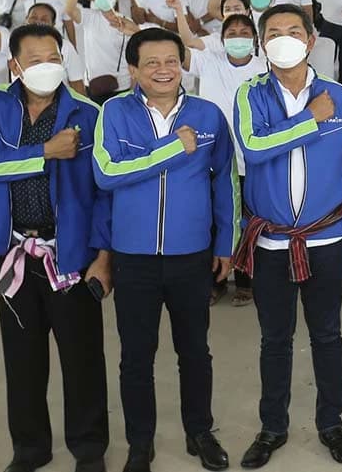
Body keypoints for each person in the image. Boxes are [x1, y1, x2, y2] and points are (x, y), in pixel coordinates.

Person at [0, 25, 109, 472]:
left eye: (54, 57)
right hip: (13, 253)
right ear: (15, 66)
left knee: (82, 356)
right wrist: (45, 151)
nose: (47, 67)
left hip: (70, 252)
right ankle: (30, 448)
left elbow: (105, 191)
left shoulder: (86, 112)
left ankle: (88, 450)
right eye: (35, 59)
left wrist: (104, 256)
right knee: (22, 358)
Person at [93, 28, 237, 472]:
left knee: (195, 350)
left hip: (191, 255)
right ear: (133, 69)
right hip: (133, 258)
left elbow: (224, 182)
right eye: (151, 63)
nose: (163, 70)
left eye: (171, 60)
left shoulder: (209, 115)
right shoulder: (114, 113)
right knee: (136, 356)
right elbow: (106, 175)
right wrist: (172, 149)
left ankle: (200, 431)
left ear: (183, 64)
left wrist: (225, 241)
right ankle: (141, 442)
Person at [230, 4, 342, 467]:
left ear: (311, 41)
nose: (283, 39)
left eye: (293, 31)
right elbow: (253, 146)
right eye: (273, 32)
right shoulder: (250, 94)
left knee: (327, 334)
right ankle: (272, 427)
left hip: (326, 238)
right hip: (271, 244)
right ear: (262, 43)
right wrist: (309, 119)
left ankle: (332, 423)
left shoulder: (340, 98)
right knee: (275, 338)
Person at [170, 0, 266, 305]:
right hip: (213, 158)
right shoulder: (208, 60)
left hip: (252, 160)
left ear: (254, 39)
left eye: (244, 33)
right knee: (213, 219)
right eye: (231, 34)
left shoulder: (265, 68)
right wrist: (179, 12)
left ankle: (246, 281)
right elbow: (181, 51)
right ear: (221, 38)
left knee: (250, 221)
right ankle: (215, 281)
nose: (237, 38)